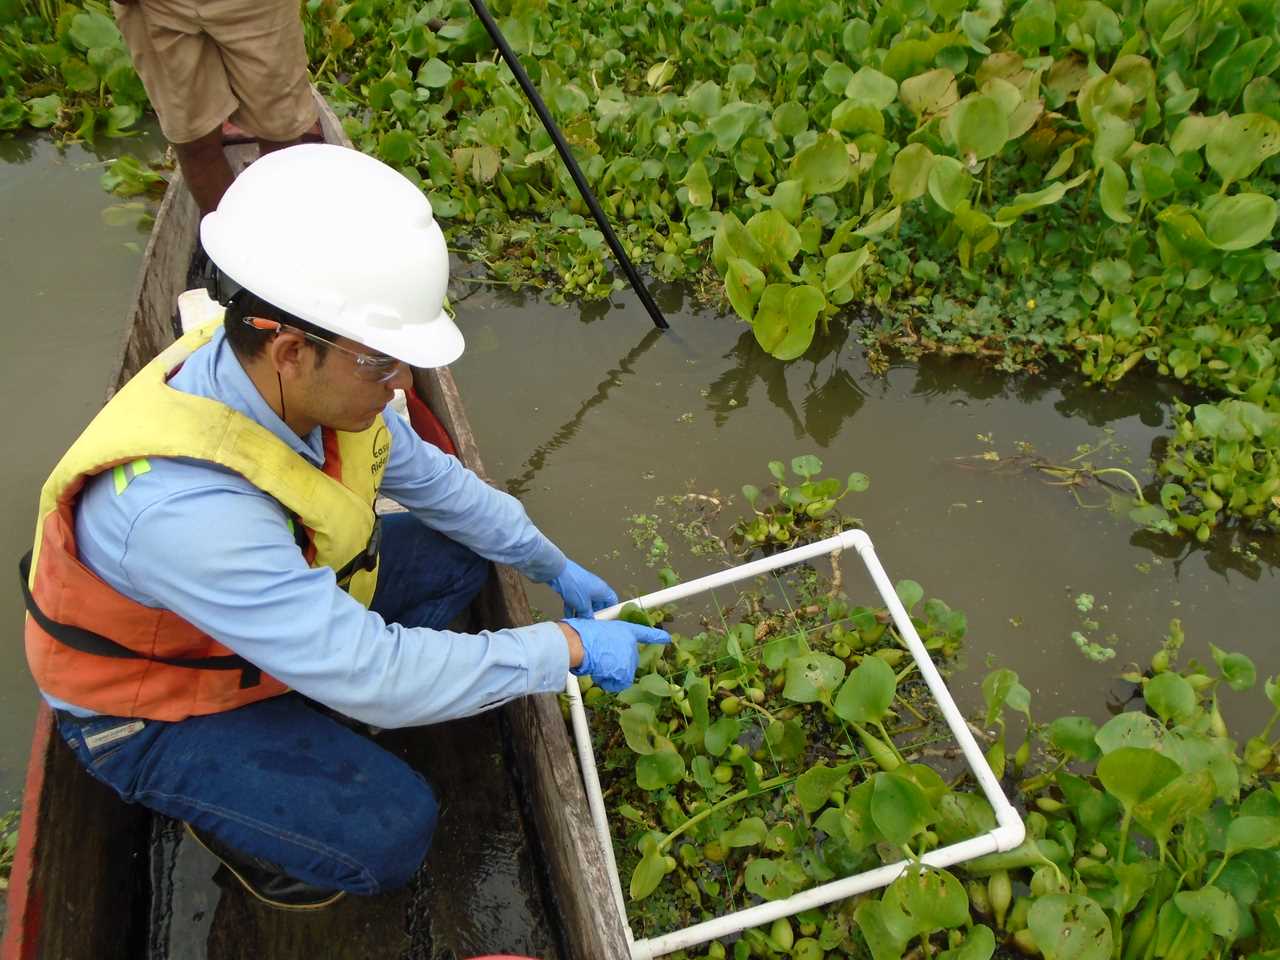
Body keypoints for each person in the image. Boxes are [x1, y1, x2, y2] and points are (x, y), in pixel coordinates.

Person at [20, 143, 669, 910]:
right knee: (393, 834)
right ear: (292, 348)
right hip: (155, 705)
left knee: (462, 554)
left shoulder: (300, 386)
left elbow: (442, 488)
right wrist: (563, 647)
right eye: (382, 367)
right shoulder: (186, 515)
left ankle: (304, 696)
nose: (401, 385)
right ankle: (241, 820)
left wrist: (550, 562)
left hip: (239, 627)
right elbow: (376, 676)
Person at [110, 0, 319, 215]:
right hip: (155, 7)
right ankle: (230, 242)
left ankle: (286, 233)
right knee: (192, 137)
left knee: (281, 135)